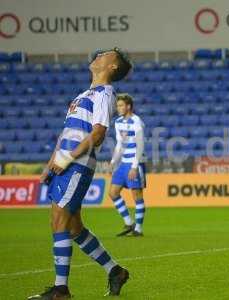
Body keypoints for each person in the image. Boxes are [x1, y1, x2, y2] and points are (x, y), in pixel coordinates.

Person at [29, 48, 132, 299]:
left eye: (104, 55)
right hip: (64, 164)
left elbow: (97, 135)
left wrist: (66, 158)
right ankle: (115, 271)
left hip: (76, 165)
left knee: (59, 221)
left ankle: (60, 290)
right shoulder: (82, 96)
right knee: (74, 227)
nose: (97, 56)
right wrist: (52, 162)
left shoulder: (106, 93)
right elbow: (66, 133)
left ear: (112, 67)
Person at [109, 93, 147, 237]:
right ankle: (129, 222)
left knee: (136, 195)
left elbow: (140, 145)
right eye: (117, 105)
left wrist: (134, 166)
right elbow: (120, 144)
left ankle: (138, 228)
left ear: (129, 106)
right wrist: (113, 161)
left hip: (135, 163)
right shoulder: (118, 122)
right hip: (123, 163)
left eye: (120, 105)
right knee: (113, 193)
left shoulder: (137, 121)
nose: (118, 108)